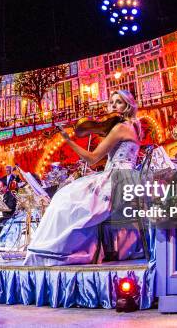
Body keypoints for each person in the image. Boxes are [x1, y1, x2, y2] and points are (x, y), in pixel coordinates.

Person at [23, 90, 145, 266]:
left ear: (127, 105)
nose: (113, 106)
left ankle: (58, 251)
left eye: (118, 102)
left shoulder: (120, 128)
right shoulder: (133, 127)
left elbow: (92, 158)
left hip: (117, 178)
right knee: (74, 196)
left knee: (64, 198)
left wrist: (68, 139)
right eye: (111, 102)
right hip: (126, 176)